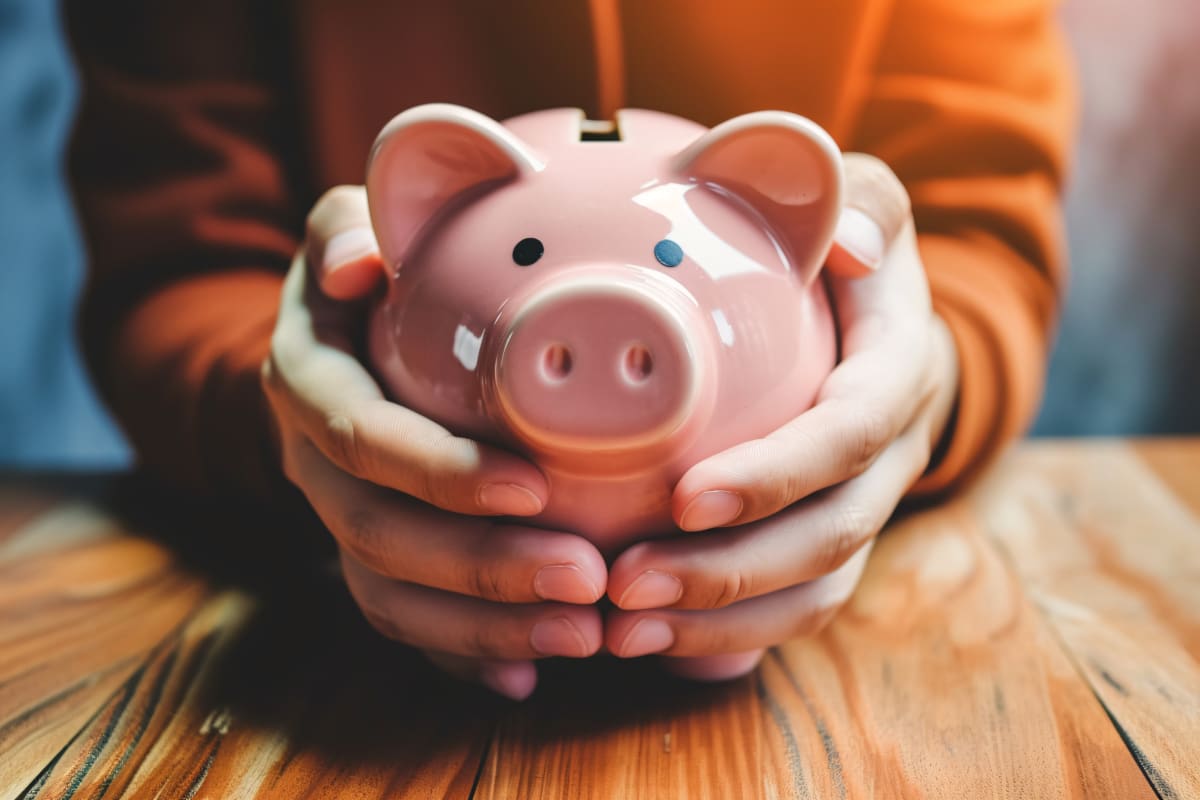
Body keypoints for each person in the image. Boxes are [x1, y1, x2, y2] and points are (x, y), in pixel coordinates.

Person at [65, 1, 1072, 700]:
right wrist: (289, 415)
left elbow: (975, 226)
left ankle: (704, 642)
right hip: (335, 599)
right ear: (425, 193)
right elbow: (173, 264)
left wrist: (927, 373)